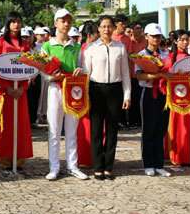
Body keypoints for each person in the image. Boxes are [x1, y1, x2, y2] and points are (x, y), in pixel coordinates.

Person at [39, 9, 88, 180]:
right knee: (54, 130)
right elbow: (42, 72)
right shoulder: (47, 46)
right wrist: (51, 76)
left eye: (68, 21)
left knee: (72, 130)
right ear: (55, 23)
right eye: (62, 21)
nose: (66, 24)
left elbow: (82, 66)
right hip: (55, 89)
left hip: (73, 90)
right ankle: (54, 167)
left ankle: (72, 166)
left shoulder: (76, 46)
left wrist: (80, 70)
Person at [83, 15, 131, 180]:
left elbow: (125, 73)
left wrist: (127, 95)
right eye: (103, 26)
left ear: (114, 28)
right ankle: (98, 167)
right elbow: (86, 73)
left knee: (112, 130)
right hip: (96, 89)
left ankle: (108, 167)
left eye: (109, 26)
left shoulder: (121, 48)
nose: (106, 29)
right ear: (98, 28)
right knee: (96, 130)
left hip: (115, 90)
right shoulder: (90, 48)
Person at [0, 11, 34, 171]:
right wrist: (6, 87)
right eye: (13, 21)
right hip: (5, 90)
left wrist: (23, 87)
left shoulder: (25, 44)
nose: (16, 24)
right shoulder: (1, 42)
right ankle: (6, 158)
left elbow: (29, 67)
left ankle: (19, 158)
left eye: (19, 21)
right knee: (6, 124)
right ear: (8, 24)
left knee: (20, 124)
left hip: (20, 91)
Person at [134, 23, 172, 177]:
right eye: (153, 36)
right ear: (146, 37)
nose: (156, 39)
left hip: (164, 94)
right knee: (148, 129)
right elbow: (139, 76)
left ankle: (159, 164)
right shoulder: (141, 55)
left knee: (161, 129)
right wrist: (159, 75)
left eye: (158, 36)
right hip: (148, 93)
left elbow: (171, 73)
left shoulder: (165, 55)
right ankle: (148, 164)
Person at [162, 30, 190, 166]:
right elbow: (164, 77)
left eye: (186, 39)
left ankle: (189, 156)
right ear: (175, 41)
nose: (185, 42)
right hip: (175, 99)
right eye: (182, 40)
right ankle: (177, 156)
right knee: (177, 127)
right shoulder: (170, 58)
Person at [76, 22, 99, 169]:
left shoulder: (81, 49)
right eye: (97, 32)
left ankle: (88, 157)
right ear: (90, 35)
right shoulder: (84, 50)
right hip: (88, 90)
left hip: (88, 90)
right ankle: (88, 157)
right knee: (88, 125)